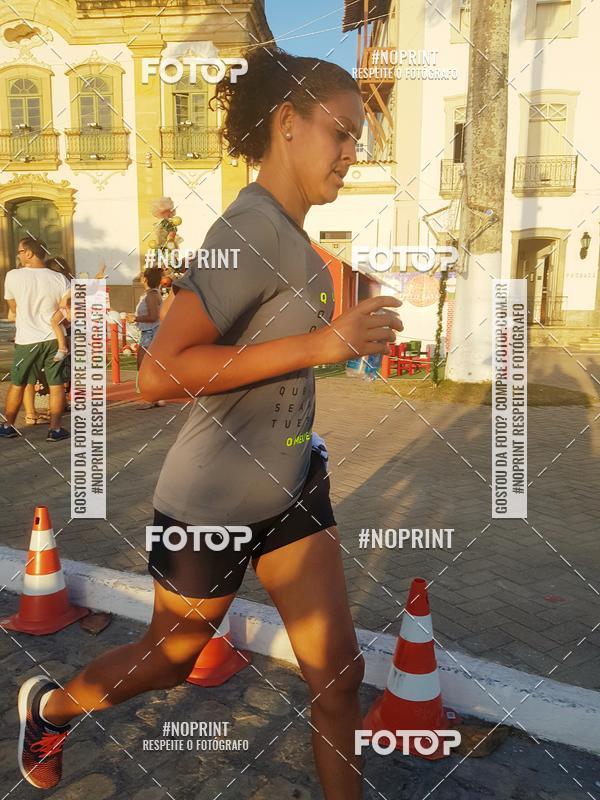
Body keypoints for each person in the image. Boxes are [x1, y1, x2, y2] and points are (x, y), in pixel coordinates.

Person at [16, 46, 403, 797]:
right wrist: (328, 343)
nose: (353, 154)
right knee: (168, 659)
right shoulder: (249, 228)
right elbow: (162, 371)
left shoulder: (291, 236)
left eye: (359, 139)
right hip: (211, 502)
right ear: (287, 124)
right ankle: (52, 708)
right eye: (342, 133)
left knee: (339, 674)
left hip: (291, 484)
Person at [1, 238, 71, 441]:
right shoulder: (60, 279)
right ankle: (55, 429)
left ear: (30, 253)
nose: (19, 255)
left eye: (20, 251)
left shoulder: (13, 276)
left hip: (27, 338)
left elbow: (14, 307)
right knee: (56, 383)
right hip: (54, 337)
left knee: (18, 382)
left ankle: (8, 425)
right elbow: (63, 307)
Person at [127, 266, 165, 409]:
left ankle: (149, 398)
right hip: (150, 332)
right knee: (150, 365)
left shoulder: (151, 296)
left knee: (143, 365)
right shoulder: (152, 294)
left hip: (150, 333)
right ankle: (157, 397)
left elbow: (153, 316)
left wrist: (135, 318)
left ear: (145, 279)